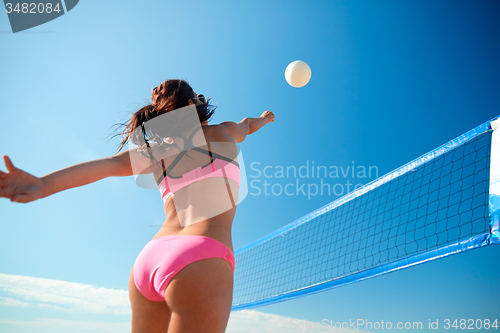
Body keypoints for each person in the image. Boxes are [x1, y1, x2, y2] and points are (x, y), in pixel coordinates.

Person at [0, 79, 275, 333]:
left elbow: (106, 166)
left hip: (150, 259)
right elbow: (247, 125)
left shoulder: (156, 151)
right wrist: (265, 119)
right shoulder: (223, 131)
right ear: (193, 105)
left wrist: (42, 185)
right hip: (201, 255)